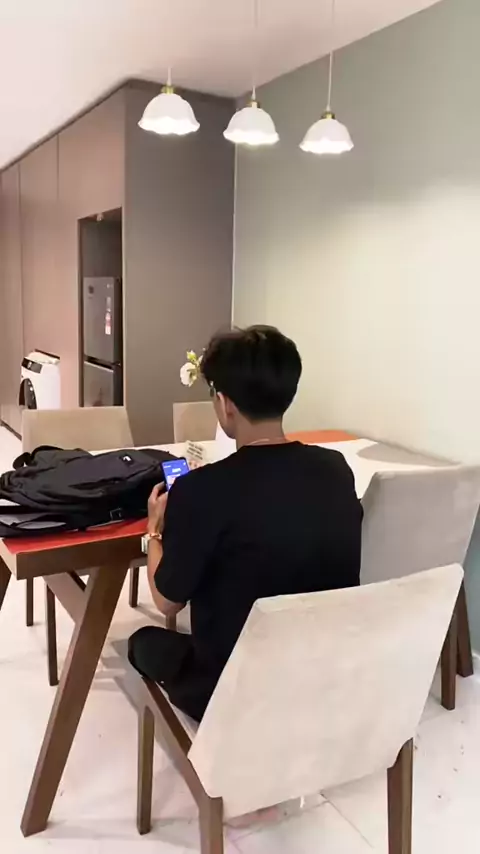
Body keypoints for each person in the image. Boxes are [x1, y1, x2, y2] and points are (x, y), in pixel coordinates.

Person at [128, 325, 363, 721]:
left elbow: (167, 601)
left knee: (141, 642)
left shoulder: (201, 490)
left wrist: (154, 530)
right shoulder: (335, 469)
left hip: (235, 694)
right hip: (321, 675)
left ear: (225, 403)